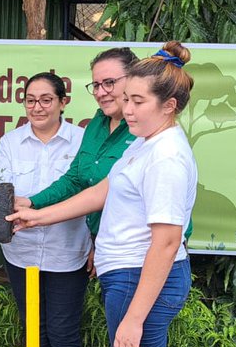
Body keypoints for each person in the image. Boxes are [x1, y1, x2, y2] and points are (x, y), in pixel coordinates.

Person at [7, 42, 197, 347]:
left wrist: (135, 318)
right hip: (126, 278)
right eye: (126, 99)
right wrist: (39, 215)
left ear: (169, 105)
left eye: (137, 101)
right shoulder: (144, 143)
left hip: (140, 280)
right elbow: (100, 189)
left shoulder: (167, 157)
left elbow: (167, 242)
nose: (126, 108)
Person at [0, 73, 87, 347]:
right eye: (31, 99)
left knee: (63, 328)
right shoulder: (10, 143)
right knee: (34, 326)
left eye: (46, 99)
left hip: (67, 251)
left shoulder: (82, 142)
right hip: (22, 252)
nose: (37, 106)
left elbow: (93, 194)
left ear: (63, 102)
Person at [14, 48, 141, 275]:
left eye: (109, 83)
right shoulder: (97, 124)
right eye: (96, 85)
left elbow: (103, 194)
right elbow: (75, 178)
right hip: (106, 246)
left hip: (138, 251)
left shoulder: (145, 131)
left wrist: (37, 217)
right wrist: (31, 203)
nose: (101, 92)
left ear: (134, 81)